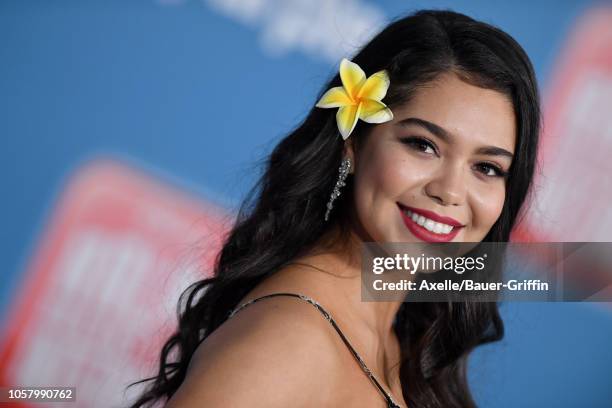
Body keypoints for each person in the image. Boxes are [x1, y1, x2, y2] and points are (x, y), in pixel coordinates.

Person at [127, 9, 540, 408]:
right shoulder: (289, 340)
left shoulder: (397, 342)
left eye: (486, 167)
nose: (450, 191)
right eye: (422, 145)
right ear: (354, 144)